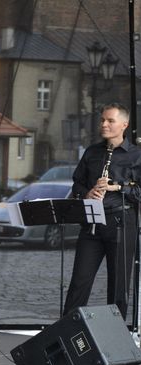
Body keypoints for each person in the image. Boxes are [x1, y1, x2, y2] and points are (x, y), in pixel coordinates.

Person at [63, 103, 141, 319]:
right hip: (92, 223)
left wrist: (117, 187)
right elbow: (77, 183)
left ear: (124, 125)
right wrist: (86, 194)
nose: (104, 124)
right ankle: (67, 331)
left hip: (122, 222)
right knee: (80, 281)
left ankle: (115, 337)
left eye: (110, 121)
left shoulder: (136, 155)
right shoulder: (93, 152)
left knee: (118, 285)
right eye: (102, 120)